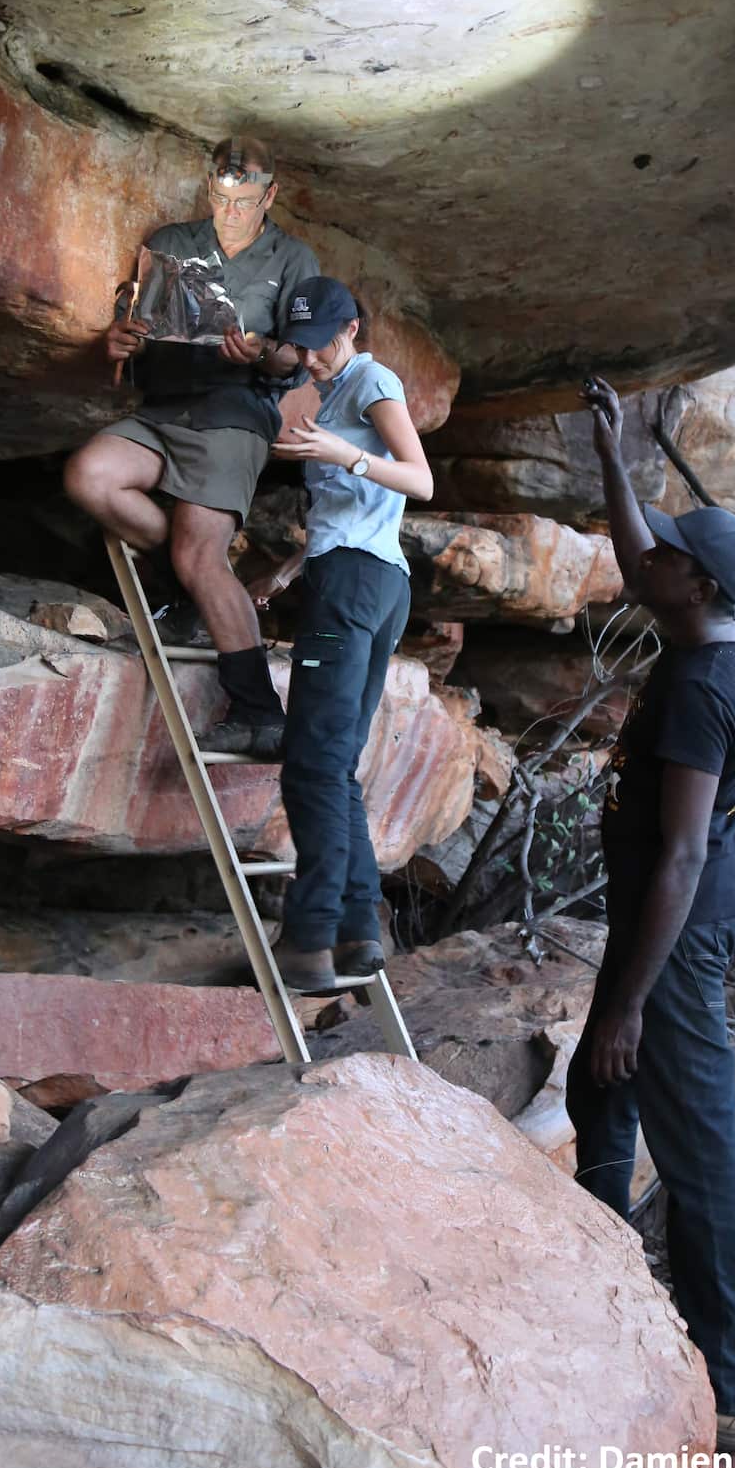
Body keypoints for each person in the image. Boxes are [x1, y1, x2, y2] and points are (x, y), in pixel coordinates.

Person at [564, 377, 735, 1457]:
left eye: (670, 548)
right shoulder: (713, 633)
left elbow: (682, 854)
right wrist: (611, 454)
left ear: (693, 581)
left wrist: (628, 1005)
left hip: (675, 942)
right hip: (669, 928)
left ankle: (729, 1394)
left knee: (696, 1153)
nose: (650, 554)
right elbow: (640, 549)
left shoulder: (695, 691)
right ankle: (595, 1284)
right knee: (593, 1095)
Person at [63, 136, 319, 758]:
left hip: (235, 411)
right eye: (224, 195)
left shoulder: (292, 258)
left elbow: (299, 356)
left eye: (247, 199)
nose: (233, 209)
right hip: (164, 408)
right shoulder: (173, 242)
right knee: (90, 476)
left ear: (269, 195)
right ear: (211, 187)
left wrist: (261, 350)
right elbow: (144, 328)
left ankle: (261, 711)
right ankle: (193, 585)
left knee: (201, 557)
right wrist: (120, 342)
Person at [246, 277, 433, 992]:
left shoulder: (370, 377)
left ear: (350, 327)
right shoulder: (330, 389)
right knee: (338, 765)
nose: (310, 355)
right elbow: (359, 512)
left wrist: (337, 451)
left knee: (313, 763)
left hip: (356, 586)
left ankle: (309, 937)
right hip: (372, 581)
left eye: (322, 340)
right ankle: (360, 932)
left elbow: (419, 481)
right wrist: (292, 569)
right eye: (301, 342)